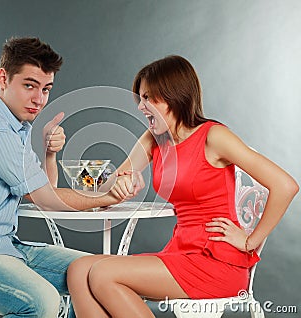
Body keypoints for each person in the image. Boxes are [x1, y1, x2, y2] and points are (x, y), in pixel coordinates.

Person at [0, 37, 143, 318]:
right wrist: (108, 196)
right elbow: (47, 200)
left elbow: (44, 191)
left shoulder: (17, 128)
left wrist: (50, 153)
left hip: (4, 246)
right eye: (29, 86)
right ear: (3, 78)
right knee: (42, 304)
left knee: (97, 276)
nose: (39, 99)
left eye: (46, 89)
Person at [66, 55, 299, 318]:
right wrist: (124, 181)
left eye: (148, 98)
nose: (141, 107)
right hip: (179, 252)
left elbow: (285, 185)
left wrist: (249, 241)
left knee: (102, 274)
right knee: (78, 270)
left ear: (173, 97)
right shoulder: (155, 139)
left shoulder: (213, 136)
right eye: (140, 98)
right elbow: (115, 179)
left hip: (214, 261)